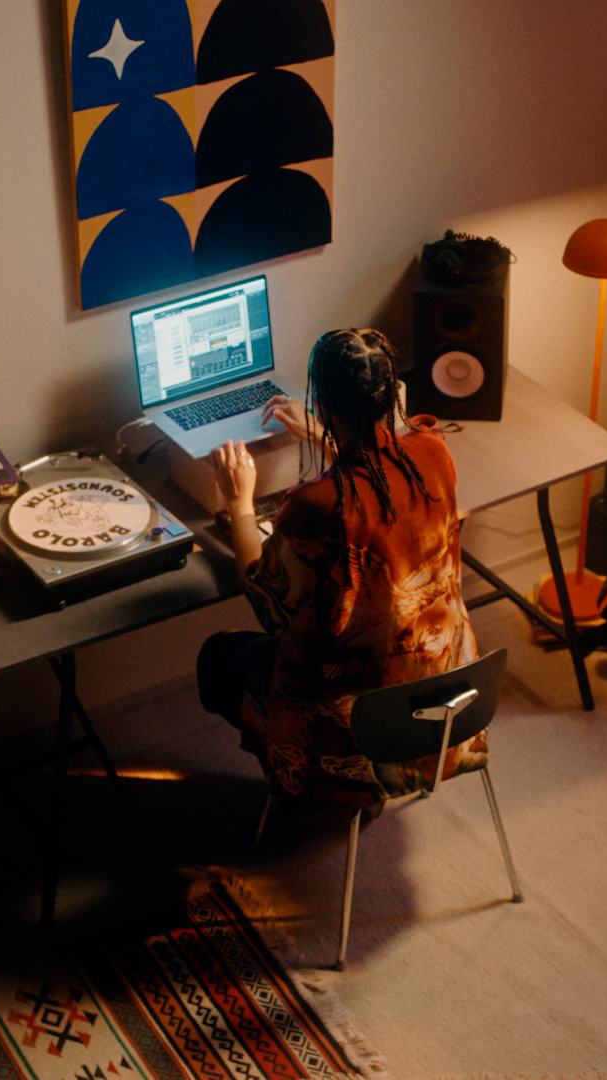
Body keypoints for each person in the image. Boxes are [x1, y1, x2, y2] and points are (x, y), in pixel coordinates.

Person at [198, 328, 482, 837]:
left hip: (355, 732)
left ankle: (308, 786)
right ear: (390, 392)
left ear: (324, 403)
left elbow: (266, 605)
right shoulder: (435, 453)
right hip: (447, 701)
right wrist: (324, 435)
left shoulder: (315, 505)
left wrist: (239, 503)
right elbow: (381, 493)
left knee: (219, 658)